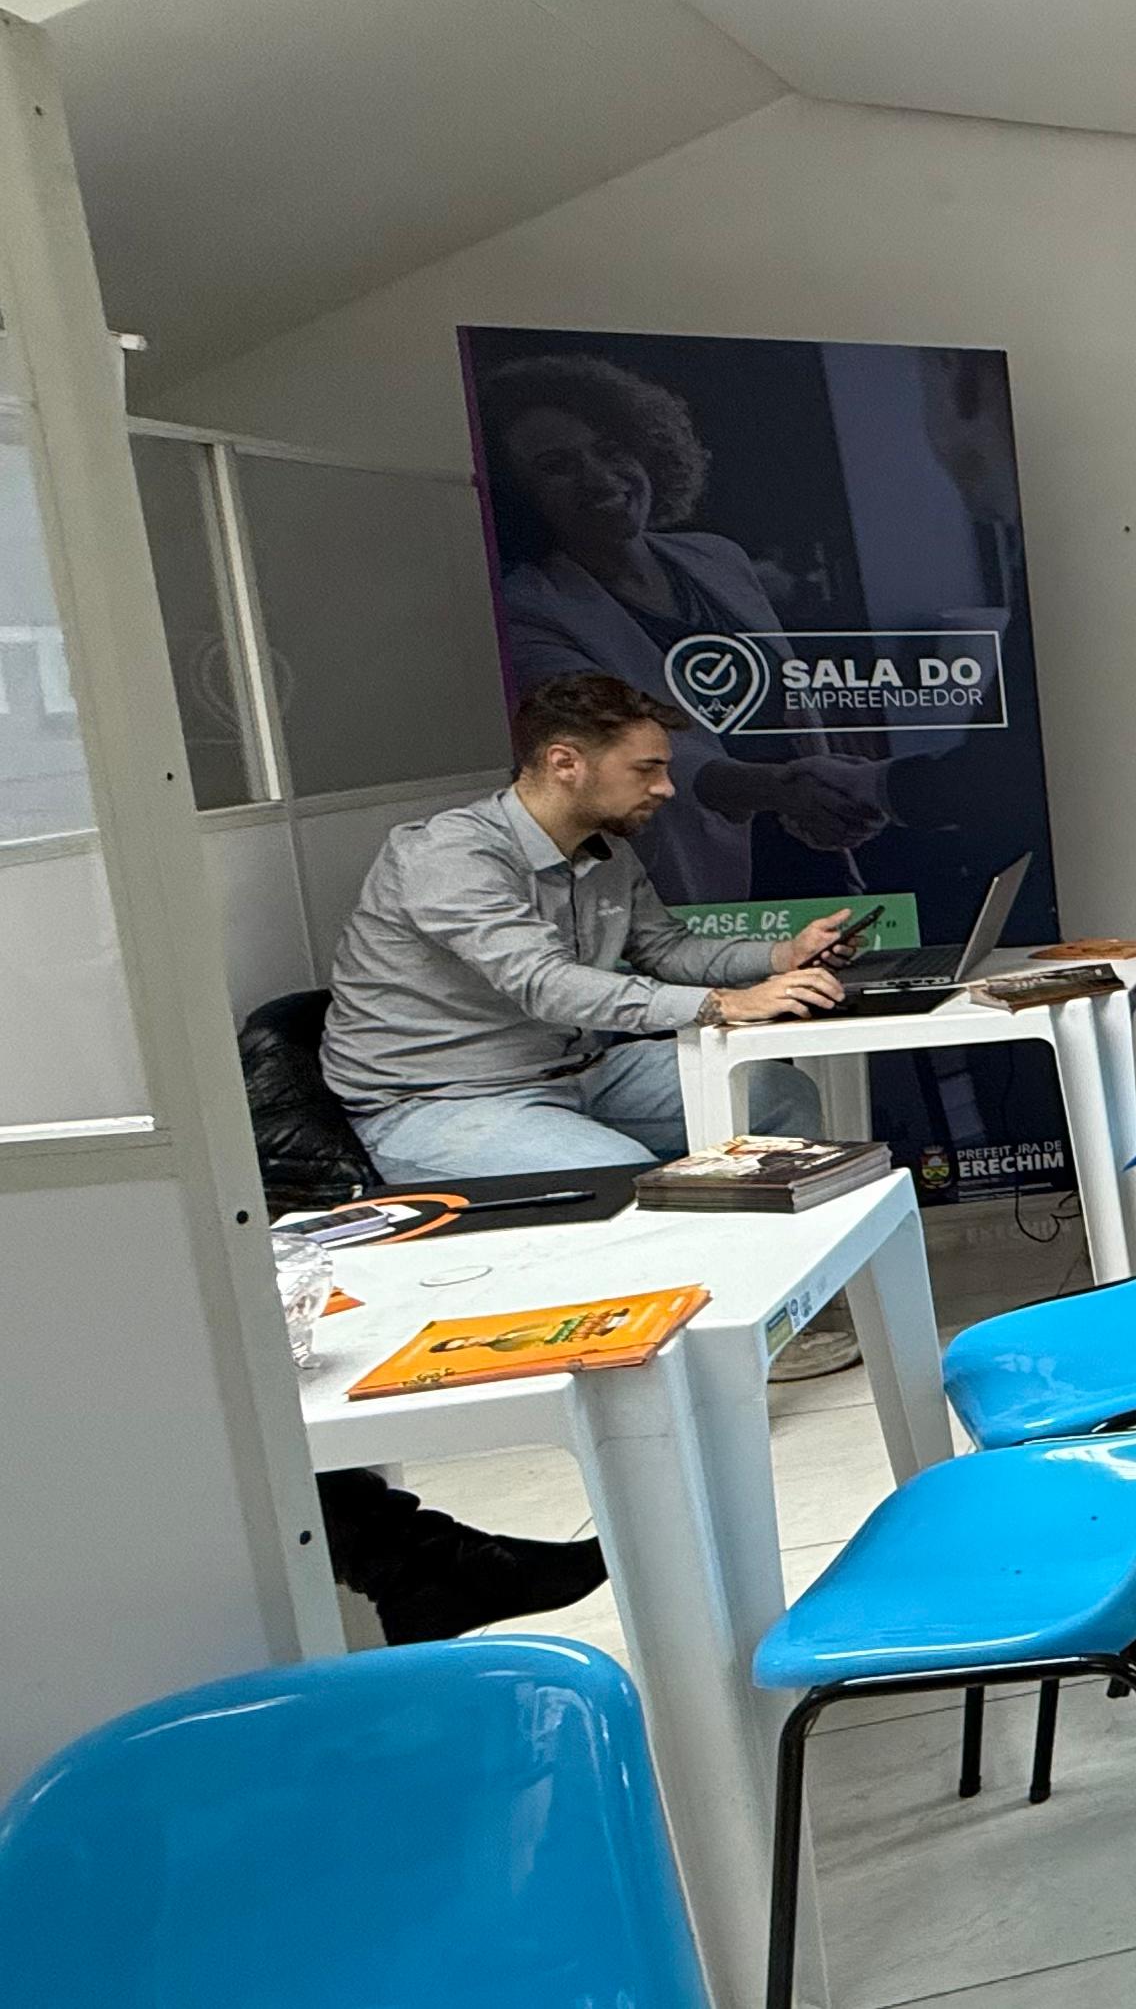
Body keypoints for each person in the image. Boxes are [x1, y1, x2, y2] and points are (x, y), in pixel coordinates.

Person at [310, 671, 861, 1640]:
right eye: (646, 769)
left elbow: (663, 952)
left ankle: (765, 1332)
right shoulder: (447, 856)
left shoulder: (604, 852)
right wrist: (720, 1006)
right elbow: (544, 986)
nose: (667, 788)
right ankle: (675, 1394)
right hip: (440, 1101)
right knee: (628, 1187)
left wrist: (775, 959)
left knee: (775, 1100)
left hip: (572, 1069)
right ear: (566, 763)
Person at [481, 351, 888, 902]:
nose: (599, 477)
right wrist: (780, 790)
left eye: (610, 449)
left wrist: (827, 797)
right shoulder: (529, 608)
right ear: (515, 494)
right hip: (695, 889)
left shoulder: (717, 557)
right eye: (557, 466)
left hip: (817, 861)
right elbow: (622, 754)